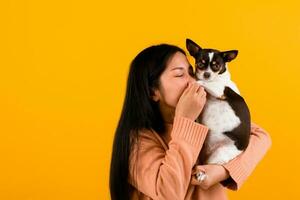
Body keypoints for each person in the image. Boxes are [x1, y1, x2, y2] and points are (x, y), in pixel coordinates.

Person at [109, 43, 272, 200]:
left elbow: (260, 136)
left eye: (192, 72)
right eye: (180, 74)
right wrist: (185, 121)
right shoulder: (137, 142)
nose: (194, 81)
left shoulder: (205, 115)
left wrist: (221, 171)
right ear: (153, 92)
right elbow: (168, 193)